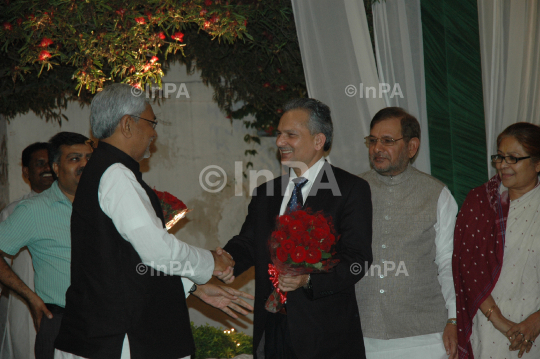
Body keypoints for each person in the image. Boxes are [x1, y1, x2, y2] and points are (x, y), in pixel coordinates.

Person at [54, 83, 236, 359]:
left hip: (103, 333)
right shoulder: (116, 174)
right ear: (127, 124)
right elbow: (156, 251)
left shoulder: (105, 170)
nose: (154, 132)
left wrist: (191, 285)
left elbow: (124, 260)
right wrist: (211, 261)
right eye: (151, 122)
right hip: (120, 337)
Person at [221, 98, 373, 358]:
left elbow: (357, 259)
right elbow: (248, 242)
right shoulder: (266, 192)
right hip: (272, 328)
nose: (280, 142)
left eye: (291, 135)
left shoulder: (350, 189)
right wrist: (226, 259)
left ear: (318, 141)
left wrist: (308, 280)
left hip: (325, 335)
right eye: (279, 134)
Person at [355, 107, 459, 359]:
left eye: (387, 141)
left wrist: (454, 318)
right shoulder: (353, 192)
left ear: (412, 147)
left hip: (424, 336)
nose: (377, 148)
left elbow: (447, 262)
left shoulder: (437, 194)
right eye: (373, 140)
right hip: (361, 333)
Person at [0, 133, 93, 359]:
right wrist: (30, 297)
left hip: (107, 322)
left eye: (89, 158)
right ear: (56, 167)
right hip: (62, 323)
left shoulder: (106, 204)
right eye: (74, 159)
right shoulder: (34, 210)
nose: (84, 164)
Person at [453, 122, 540, 359]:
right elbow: (467, 269)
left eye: (513, 158)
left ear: (538, 163)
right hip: (487, 327)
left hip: (535, 331)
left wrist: (535, 322)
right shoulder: (480, 202)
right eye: (500, 157)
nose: (503, 165)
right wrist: (499, 321)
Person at [0, 142, 53, 359]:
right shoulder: (13, 212)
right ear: (26, 172)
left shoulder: (75, 209)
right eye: (40, 164)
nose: (48, 169)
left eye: (51, 163)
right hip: (26, 303)